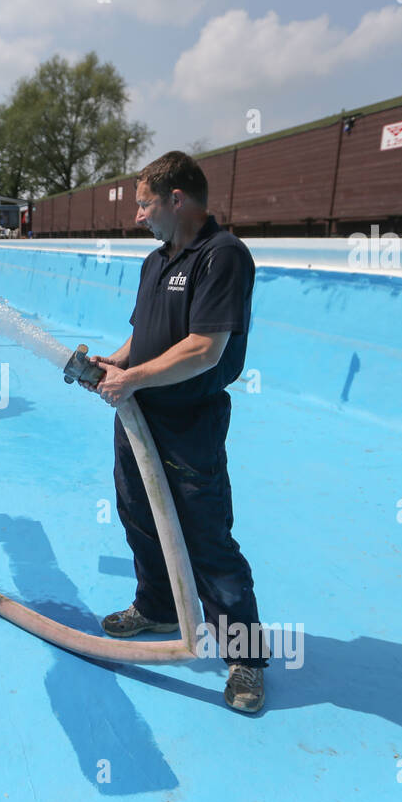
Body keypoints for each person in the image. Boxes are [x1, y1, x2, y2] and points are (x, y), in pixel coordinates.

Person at [83, 151, 268, 712]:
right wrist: (114, 367)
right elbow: (140, 339)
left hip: (188, 422)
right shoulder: (155, 261)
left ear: (176, 199)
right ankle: (159, 606)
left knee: (208, 539)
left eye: (144, 204)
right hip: (138, 415)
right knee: (139, 518)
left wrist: (132, 378)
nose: (138, 216)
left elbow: (204, 350)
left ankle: (246, 657)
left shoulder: (222, 256)